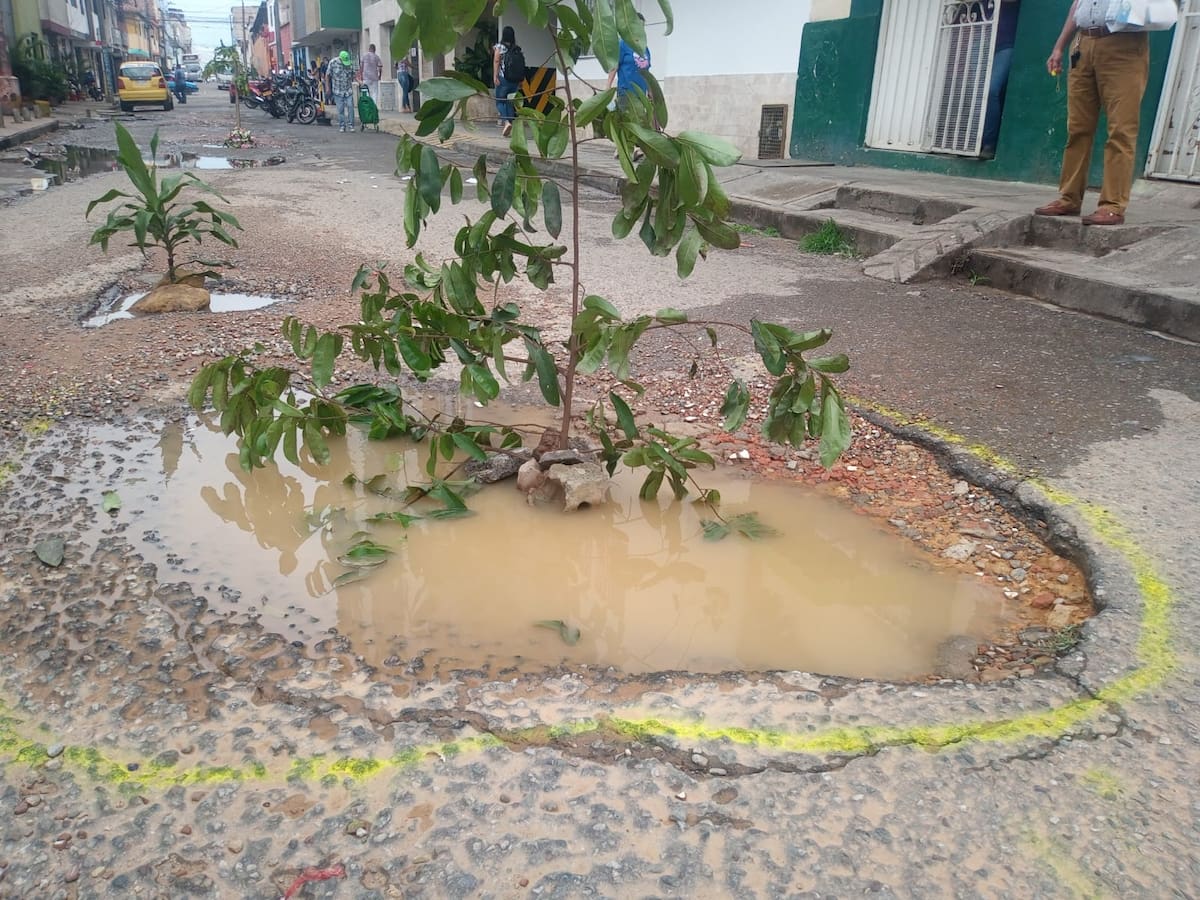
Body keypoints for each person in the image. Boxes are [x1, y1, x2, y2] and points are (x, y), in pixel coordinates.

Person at [1034, 0, 1151, 225]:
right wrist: (1059, 46)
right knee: (1078, 128)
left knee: (1121, 130)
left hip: (1124, 44)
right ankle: (1069, 198)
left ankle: (1112, 205)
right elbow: (1077, 6)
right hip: (1083, 42)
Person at [606, 14, 652, 160]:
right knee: (625, 120)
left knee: (640, 121)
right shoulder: (622, 44)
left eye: (642, 26)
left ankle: (637, 149)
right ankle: (621, 148)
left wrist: (651, 92)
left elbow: (647, 73)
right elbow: (614, 67)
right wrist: (607, 89)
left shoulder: (645, 49)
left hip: (641, 93)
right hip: (625, 91)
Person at [980, 0, 1020, 158]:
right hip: (982, 39)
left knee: (992, 90)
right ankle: (970, 141)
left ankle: (988, 143)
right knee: (970, 90)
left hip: (1005, 44)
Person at [493, 25, 520, 137]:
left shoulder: (499, 47)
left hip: (503, 79)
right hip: (514, 80)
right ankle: (510, 126)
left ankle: (506, 122)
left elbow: (496, 60)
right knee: (510, 102)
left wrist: (495, 76)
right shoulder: (516, 49)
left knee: (499, 101)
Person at [326, 50, 356, 133]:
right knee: (340, 109)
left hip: (348, 90)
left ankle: (351, 125)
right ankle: (342, 125)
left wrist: (359, 81)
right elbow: (327, 75)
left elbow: (353, 74)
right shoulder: (333, 63)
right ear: (340, 59)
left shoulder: (349, 63)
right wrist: (328, 87)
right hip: (337, 90)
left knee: (350, 106)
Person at [360, 43, 383, 107]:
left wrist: (361, 75)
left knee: (366, 92)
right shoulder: (376, 57)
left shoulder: (364, 56)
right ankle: (374, 106)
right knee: (374, 93)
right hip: (374, 77)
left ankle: (367, 106)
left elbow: (361, 66)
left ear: (369, 49)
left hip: (366, 77)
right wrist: (379, 76)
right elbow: (380, 67)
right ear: (374, 49)